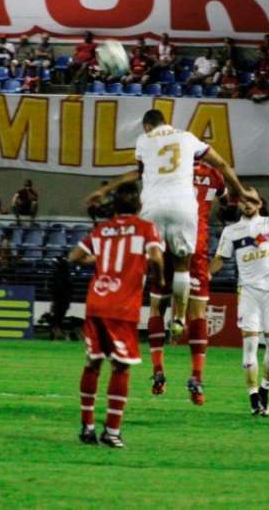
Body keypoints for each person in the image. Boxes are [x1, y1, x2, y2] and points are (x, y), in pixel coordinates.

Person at [86, 110, 247, 340]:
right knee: (182, 265)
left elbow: (139, 174)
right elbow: (221, 164)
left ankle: (121, 314)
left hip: (152, 207)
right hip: (183, 206)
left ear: (147, 127)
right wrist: (239, 191)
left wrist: (104, 189)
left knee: (144, 262)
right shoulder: (188, 138)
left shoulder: (144, 141)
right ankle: (179, 318)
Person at [69, 182, 163, 448]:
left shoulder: (103, 229)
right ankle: (111, 432)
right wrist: (161, 279)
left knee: (92, 363)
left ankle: (87, 427)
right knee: (120, 367)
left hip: (96, 302)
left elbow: (74, 256)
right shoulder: (146, 228)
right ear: (140, 205)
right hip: (122, 307)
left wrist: (101, 262)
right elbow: (156, 258)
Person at [211, 189, 269, 416]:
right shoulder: (231, 231)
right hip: (248, 292)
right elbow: (220, 260)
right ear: (239, 205)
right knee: (249, 345)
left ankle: (266, 390)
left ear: (259, 202)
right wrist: (205, 275)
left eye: (252, 200)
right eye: (244, 201)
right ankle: (253, 395)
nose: (248, 204)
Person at [146, 161, 225, 404]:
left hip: (164, 240)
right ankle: (196, 378)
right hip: (196, 243)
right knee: (198, 312)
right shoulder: (214, 175)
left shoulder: (165, 170)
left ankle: (158, 370)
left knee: (157, 305)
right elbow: (223, 203)